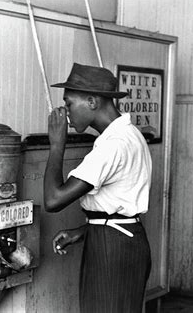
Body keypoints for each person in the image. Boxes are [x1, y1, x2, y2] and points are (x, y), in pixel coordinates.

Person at [44, 63, 152, 312]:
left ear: (92, 101)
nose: (66, 112)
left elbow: (53, 199)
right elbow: (119, 204)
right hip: (120, 238)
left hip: (113, 248)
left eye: (69, 103)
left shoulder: (113, 145)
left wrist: (57, 145)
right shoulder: (128, 135)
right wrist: (84, 230)